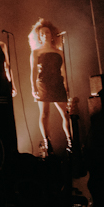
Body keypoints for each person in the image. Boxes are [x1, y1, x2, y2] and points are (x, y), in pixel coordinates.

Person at [27, 18, 71, 157]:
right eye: (42, 33)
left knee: (66, 114)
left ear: (52, 34)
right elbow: (33, 71)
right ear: (39, 36)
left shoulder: (59, 51)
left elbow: (64, 71)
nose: (45, 35)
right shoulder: (35, 52)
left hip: (58, 83)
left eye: (47, 32)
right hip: (44, 83)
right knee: (45, 113)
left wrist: (66, 86)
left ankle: (70, 141)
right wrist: (33, 87)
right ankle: (47, 142)